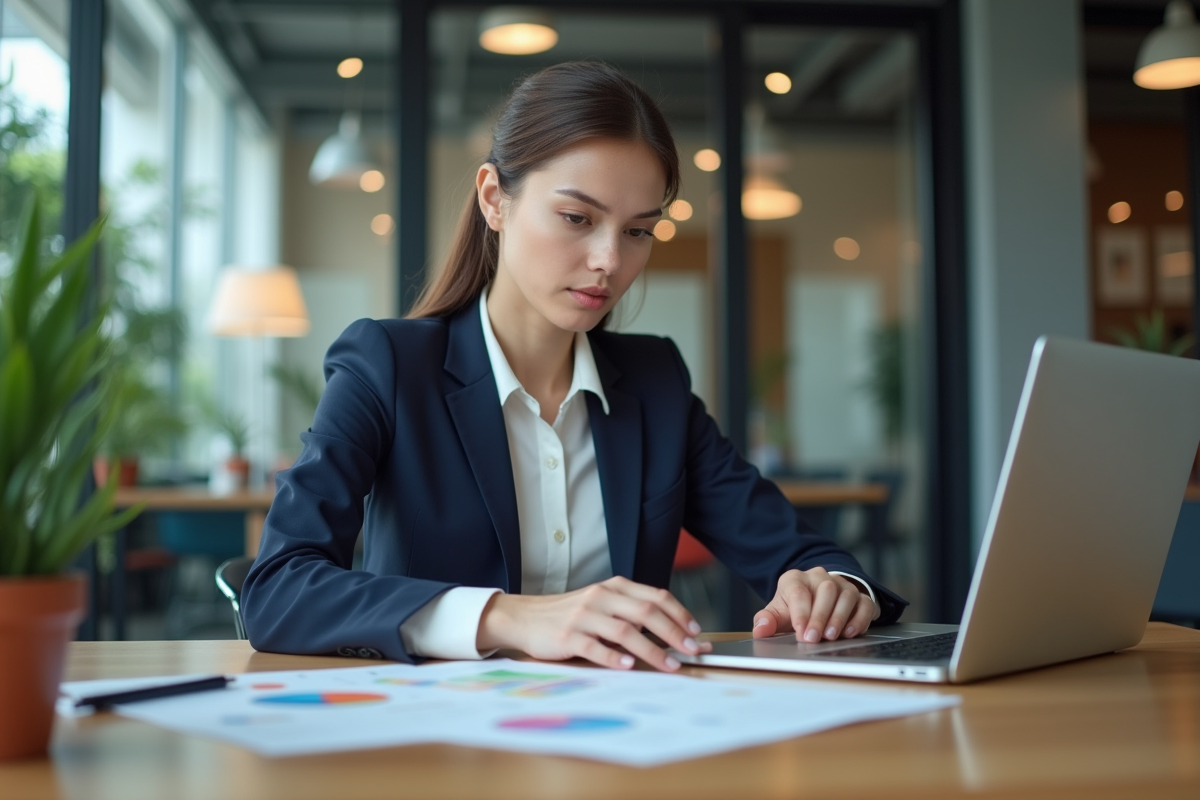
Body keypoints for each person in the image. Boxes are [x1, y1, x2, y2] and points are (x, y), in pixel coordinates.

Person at [242, 61, 907, 672]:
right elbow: (277, 588)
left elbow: (797, 551)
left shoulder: (655, 383)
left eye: (638, 230)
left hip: (620, 743)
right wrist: (508, 617)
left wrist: (831, 590)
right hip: (437, 748)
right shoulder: (388, 365)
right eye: (575, 217)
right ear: (494, 199)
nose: (609, 261)